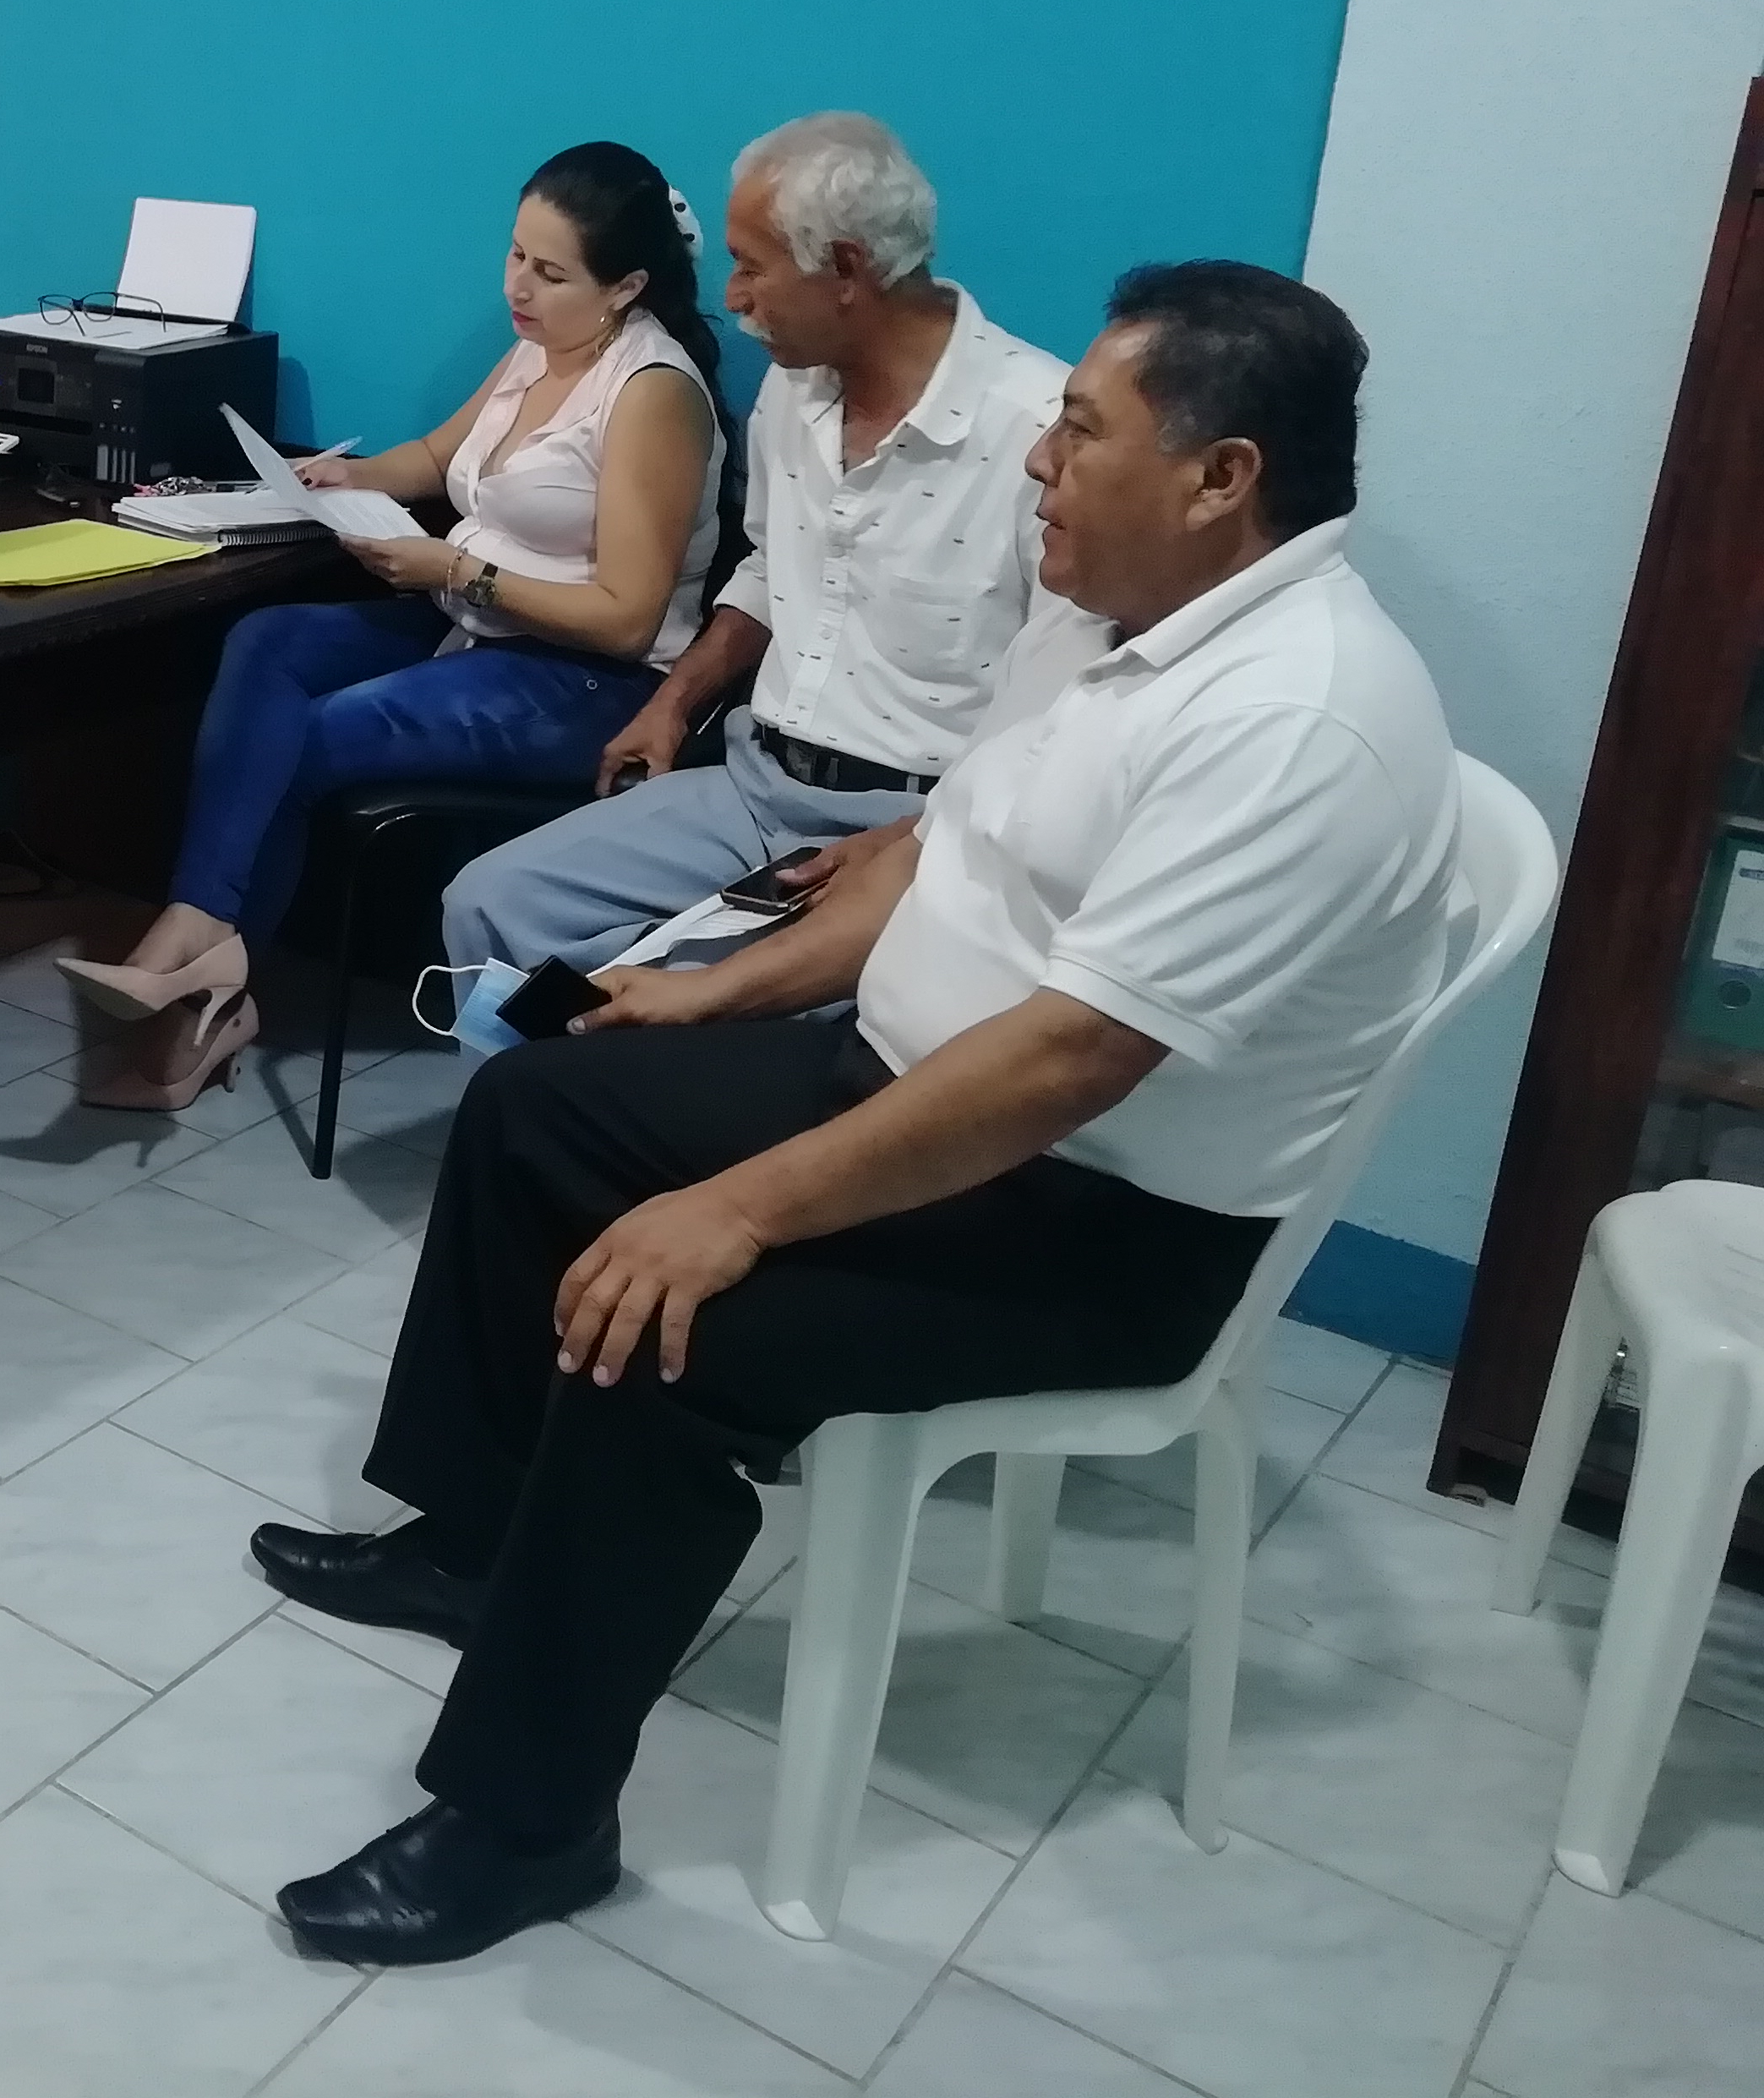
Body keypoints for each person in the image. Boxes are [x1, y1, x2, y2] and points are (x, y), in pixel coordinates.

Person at [248, 261, 1459, 1964]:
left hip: (1097, 1217)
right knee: (538, 1105)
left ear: (1220, 477)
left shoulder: (1298, 718)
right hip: (912, 1089)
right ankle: (472, 1545)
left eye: (1083, 431)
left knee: (666, 1320)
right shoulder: (1111, 616)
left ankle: (527, 1823)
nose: (1039, 461)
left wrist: (734, 1209)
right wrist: (711, 992)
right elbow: (928, 855)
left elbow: (1070, 1062)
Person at [55, 143, 738, 1110]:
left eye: (549, 273)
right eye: (514, 255)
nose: (516, 287)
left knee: (317, 733)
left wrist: (454, 567)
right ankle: (198, 932)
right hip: (474, 626)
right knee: (265, 642)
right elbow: (436, 454)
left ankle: (204, 987)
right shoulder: (539, 349)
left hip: (586, 680)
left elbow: (626, 621)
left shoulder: (651, 392)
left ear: (625, 286)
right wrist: (342, 477)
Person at [441, 112, 1065, 981]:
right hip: (756, 781)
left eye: (750, 267)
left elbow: (1065, 706)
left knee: (678, 998)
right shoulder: (792, 392)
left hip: (915, 823)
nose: (731, 298)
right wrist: (674, 701)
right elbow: (771, 571)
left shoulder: (1040, 434)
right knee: (492, 903)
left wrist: (919, 839)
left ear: (845, 269)